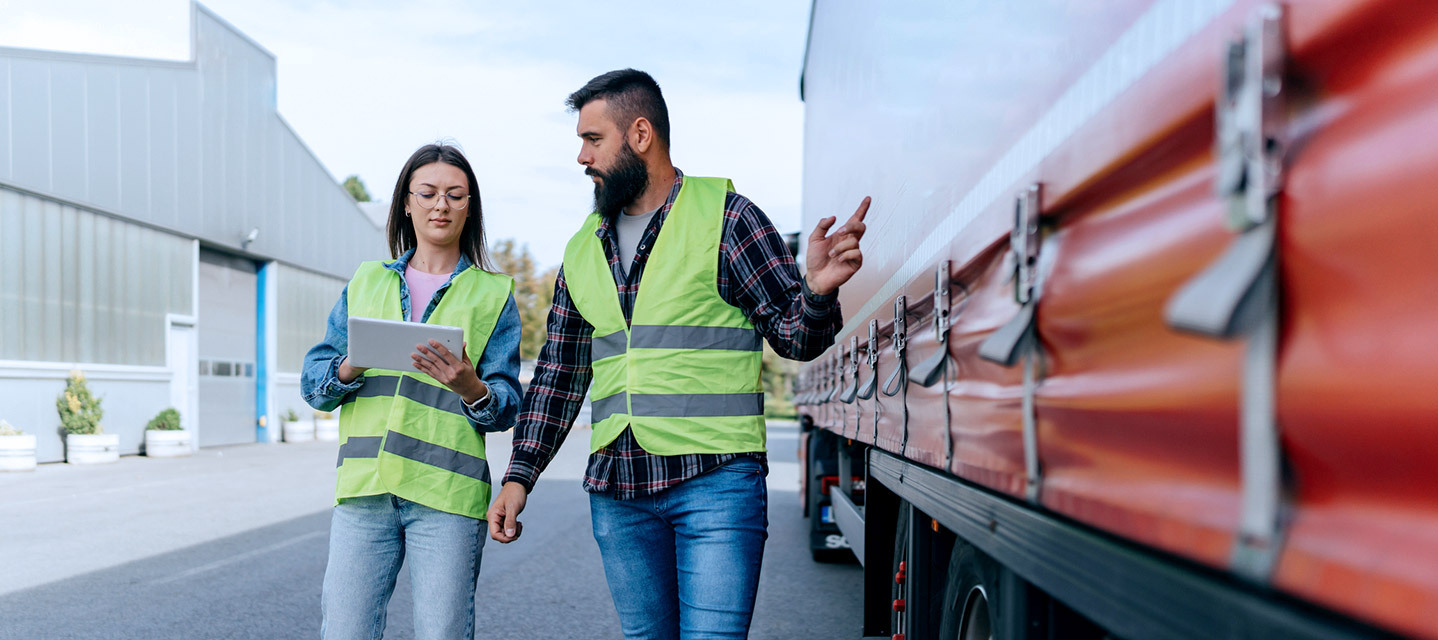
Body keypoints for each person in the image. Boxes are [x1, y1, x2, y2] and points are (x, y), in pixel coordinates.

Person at [487, 69, 869, 639]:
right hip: (620, 492)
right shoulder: (582, 248)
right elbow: (559, 377)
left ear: (640, 134)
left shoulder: (728, 218)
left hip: (713, 482)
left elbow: (797, 338)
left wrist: (815, 290)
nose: (581, 158)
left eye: (593, 140)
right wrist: (519, 477)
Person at [300, 143, 521, 640]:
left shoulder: (493, 295)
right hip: (366, 492)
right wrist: (352, 364)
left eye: (455, 195)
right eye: (427, 192)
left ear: (470, 206)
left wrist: (473, 389)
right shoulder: (365, 281)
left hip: (446, 498)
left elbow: (506, 406)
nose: (440, 205)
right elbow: (314, 386)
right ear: (406, 201)